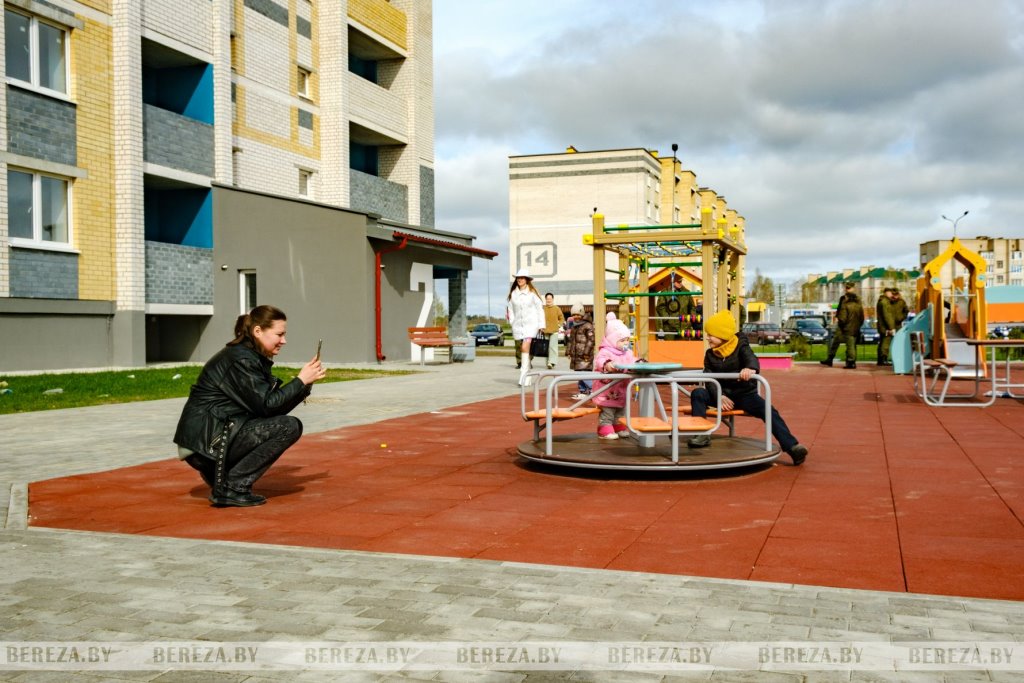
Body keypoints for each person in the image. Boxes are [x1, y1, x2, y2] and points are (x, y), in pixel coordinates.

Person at [174, 305, 326, 507]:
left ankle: (223, 479)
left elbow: (272, 408)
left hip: (211, 437)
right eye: (279, 334)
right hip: (206, 443)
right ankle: (232, 487)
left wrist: (304, 385)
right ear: (258, 331)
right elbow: (267, 406)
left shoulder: (248, 356)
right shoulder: (241, 360)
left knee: (280, 424)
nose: (284, 340)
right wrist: (299, 381)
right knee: (288, 426)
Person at [687, 311, 808, 465]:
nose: (708, 337)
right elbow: (709, 379)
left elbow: (751, 358)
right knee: (698, 393)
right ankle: (702, 434)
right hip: (721, 395)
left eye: (711, 334)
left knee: (768, 411)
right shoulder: (710, 354)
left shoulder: (741, 345)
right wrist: (720, 396)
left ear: (722, 335)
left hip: (743, 394)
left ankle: (792, 447)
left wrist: (750, 368)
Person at [591, 313, 637, 440]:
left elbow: (632, 360)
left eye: (627, 340)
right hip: (607, 389)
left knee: (620, 411)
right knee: (608, 412)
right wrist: (607, 365)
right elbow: (600, 361)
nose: (626, 343)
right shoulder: (605, 351)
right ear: (612, 340)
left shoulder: (627, 353)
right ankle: (604, 429)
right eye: (622, 340)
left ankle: (619, 426)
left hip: (621, 388)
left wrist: (638, 363)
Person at [506, 268, 545, 386]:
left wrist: (541, 325)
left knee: (524, 347)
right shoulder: (513, 294)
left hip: (531, 326)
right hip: (518, 326)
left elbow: (540, 309)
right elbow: (510, 310)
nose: (520, 280)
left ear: (527, 280)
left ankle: (523, 376)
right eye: (518, 278)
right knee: (524, 350)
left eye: (522, 278)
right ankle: (527, 376)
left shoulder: (532, 294)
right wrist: (512, 322)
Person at [822, 290, 865, 368]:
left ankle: (850, 362)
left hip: (846, 328)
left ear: (848, 297)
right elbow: (862, 318)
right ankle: (851, 361)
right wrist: (858, 325)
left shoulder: (846, 305)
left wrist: (842, 326)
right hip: (855, 328)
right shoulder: (859, 306)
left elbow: (842, 318)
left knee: (849, 346)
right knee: (851, 345)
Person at [565, 303, 594, 399]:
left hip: (584, 354)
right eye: (573, 315)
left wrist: (586, 353)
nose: (576, 317)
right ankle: (583, 391)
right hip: (577, 354)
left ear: (582, 314)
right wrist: (569, 351)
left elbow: (591, 340)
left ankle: (592, 389)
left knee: (584, 373)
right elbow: (571, 340)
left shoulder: (587, 325)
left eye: (578, 314)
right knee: (579, 373)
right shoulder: (574, 327)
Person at [822, 281, 855, 366]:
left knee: (850, 343)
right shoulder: (842, 298)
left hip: (850, 324)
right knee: (836, 341)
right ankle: (830, 359)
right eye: (846, 288)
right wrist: (837, 317)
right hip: (841, 323)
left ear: (853, 288)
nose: (847, 290)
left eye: (849, 288)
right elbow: (839, 309)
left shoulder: (855, 299)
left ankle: (851, 361)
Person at [542, 292, 566, 370]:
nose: (549, 300)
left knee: (553, 347)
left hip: (554, 331)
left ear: (552, 299)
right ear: (545, 299)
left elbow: (562, 318)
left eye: (550, 299)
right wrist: (540, 327)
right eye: (547, 299)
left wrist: (559, 325)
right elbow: (539, 319)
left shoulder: (556, 308)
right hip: (545, 331)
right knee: (546, 348)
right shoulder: (543, 309)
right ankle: (548, 362)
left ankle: (551, 362)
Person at [875, 288, 893, 365]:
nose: (892, 294)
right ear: (886, 293)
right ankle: (883, 359)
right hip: (885, 326)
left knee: (882, 342)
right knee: (885, 343)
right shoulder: (885, 302)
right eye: (890, 293)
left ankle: (880, 359)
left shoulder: (881, 301)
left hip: (881, 325)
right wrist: (891, 327)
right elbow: (887, 316)